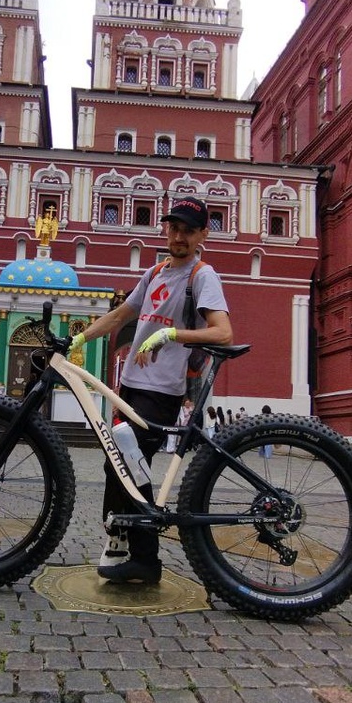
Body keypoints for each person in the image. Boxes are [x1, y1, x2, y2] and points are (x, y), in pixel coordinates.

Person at [68, 197, 232, 584]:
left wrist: (171, 333)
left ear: (203, 235)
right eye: (174, 228)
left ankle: (145, 558)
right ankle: (120, 538)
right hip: (131, 385)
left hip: (161, 390)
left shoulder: (202, 276)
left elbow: (223, 332)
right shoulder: (155, 271)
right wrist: (78, 339)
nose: (179, 237)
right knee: (118, 464)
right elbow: (119, 315)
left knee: (128, 464)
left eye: (188, 231)